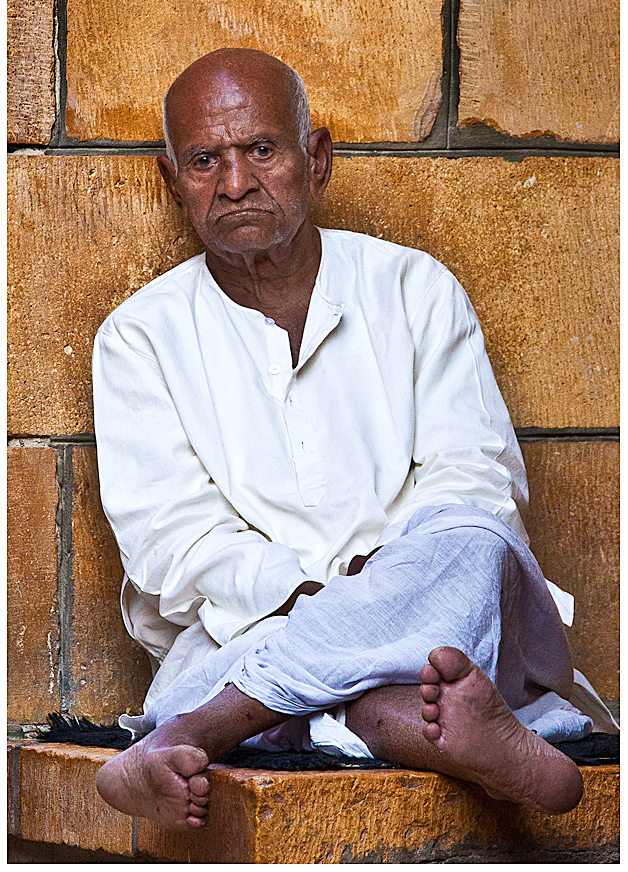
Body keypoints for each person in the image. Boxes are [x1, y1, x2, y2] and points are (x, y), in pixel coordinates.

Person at [92, 48, 613, 833]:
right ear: (175, 182)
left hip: (432, 616)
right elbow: (175, 542)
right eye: (205, 161)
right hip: (256, 628)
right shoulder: (138, 337)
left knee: (470, 539)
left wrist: (391, 587)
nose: (235, 183)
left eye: (261, 150)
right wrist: (329, 601)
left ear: (317, 158)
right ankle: (430, 728)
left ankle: (193, 734)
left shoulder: (415, 289)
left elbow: (472, 482)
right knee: (316, 672)